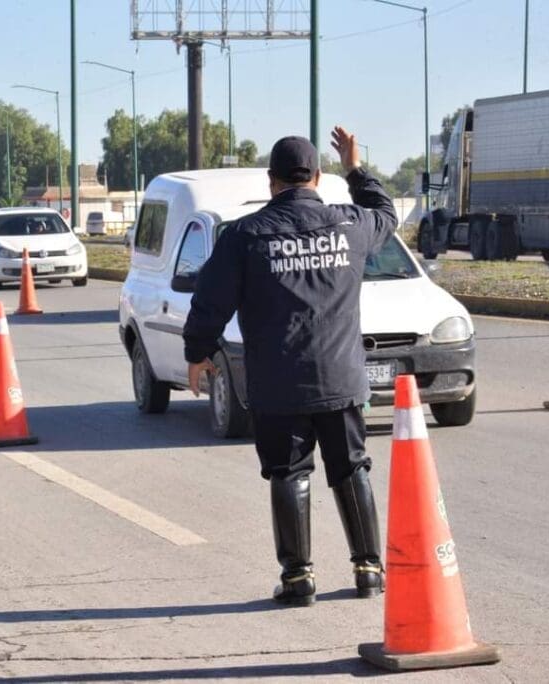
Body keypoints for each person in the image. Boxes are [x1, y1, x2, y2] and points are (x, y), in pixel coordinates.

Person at [183, 126, 398, 607]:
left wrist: (197, 352)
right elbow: (386, 213)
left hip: (279, 383)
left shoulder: (244, 236)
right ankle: (368, 570)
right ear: (317, 178)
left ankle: (298, 578)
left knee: (287, 472)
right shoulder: (350, 225)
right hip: (341, 379)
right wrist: (356, 169)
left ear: (271, 180)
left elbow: (210, 301)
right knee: (351, 468)